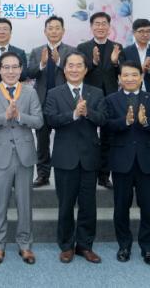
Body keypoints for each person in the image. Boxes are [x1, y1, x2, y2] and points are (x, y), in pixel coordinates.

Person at [0, 51, 43, 265]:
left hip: (25, 155)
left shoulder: (30, 93)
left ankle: (25, 245)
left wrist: (20, 116)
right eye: (6, 67)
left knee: (25, 203)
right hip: (0, 156)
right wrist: (4, 117)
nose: (11, 71)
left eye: (15, 67)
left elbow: (39, 121)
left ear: (21, 69)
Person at [44, 51, 106, 265]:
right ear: (64, 69)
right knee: (66, 205)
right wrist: (73, 114)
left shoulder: (96, 93)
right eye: (70, 65)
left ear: (86, 69)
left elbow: (103, 119)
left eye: (79, 65)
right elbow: (50, 120)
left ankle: (85, 246)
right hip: (65, 158)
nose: (74, 69)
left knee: (88, 205)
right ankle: (67, 245)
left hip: (89, 157)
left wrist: (87, 112)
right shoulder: (54, 93)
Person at [104, 60, 150, 266]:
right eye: (126, 75)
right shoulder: (111, 100)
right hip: (121, 162)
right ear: (119, 78)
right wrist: (126, 122)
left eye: (134, 75)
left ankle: (148, 248)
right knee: (121, 207)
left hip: (147, 162)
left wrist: (145, 121)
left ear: (141, 77)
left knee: (148, 207)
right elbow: (106, 126)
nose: (130, 78)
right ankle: (124, 245)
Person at [77, 11, 125, 189]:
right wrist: (94, 63)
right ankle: (87, 171)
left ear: (109, 26)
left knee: (108, 137)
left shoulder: (117, 47)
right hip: (90, 97)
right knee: (88, 136)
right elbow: (78, 71)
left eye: (104, 23)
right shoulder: (83, 47)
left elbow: (124, 72)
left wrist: (115, 62)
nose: (100, 27)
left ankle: (104, 176)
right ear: (91, 27)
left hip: (111, 97)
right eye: (97, 24)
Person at [27, 15, 76, 188]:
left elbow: (75, 72)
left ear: (63, 31)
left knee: (67, 139)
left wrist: (60, 62)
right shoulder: (36, 51)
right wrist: (41, 64)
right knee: (42, 141)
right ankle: (43, 175)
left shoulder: (71, 51)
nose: (54, 31)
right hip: (41, 101)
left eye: (57, 28)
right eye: (50, 28)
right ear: (45, 31)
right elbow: (29, 73)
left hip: (64, 101)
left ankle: (67, 172)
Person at [122, 19, 150, 93]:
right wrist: (141, 69)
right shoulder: (125, 52)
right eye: (141, 31)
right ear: (134, 33)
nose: (145, 34)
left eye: (148, 31)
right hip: (131, 93)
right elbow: (122, 74)